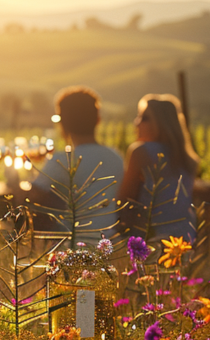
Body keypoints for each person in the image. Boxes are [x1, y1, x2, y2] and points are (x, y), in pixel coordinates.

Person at [29, 86, 123, 240]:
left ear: (62, 123)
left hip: (74, 246)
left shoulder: (63, 160)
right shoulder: (116, 157)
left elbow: (32, 197)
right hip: (110, 243)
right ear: (98, 119)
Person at [116, 94, 198, 241]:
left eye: (145, 118)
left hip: (151, 238)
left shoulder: (141, 151)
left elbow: (124, 200)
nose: (137, 123)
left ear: (162, 122)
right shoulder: (188, 159)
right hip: (185, 237)